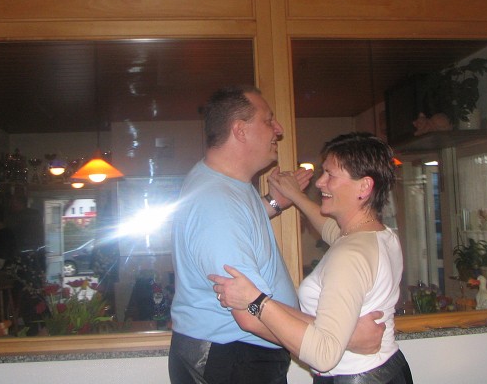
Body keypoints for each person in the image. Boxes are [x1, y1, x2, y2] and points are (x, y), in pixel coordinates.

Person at [169, 86, 384, 384]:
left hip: (236, 354)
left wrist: (275, 202)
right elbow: (250, 311)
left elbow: (241, 224)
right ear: (240, 130)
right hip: (231, 358)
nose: (279, 130)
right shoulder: (217, 206)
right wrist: (342, 337)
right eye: (269, 120)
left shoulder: (225, 185)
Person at [209, 132, 413, 383]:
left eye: (330, 175)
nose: (320, 182)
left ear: (364, 187)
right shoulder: (380, 236)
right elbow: (331, 230)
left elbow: (323, 354)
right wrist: (295, 195)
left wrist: (256, 301)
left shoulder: (350, 254)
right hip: (388, 369)